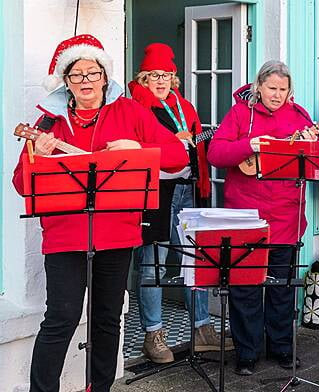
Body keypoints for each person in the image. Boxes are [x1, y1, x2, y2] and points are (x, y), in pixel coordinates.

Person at [12, 34, 188, 392]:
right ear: (66, 82)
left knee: (107, 319)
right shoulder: (48, 123)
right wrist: (40, 158)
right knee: (61, 317)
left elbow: (179, 156)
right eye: (76, 75)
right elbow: (20, 183)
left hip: (117, 232)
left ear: (105, 77)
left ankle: (100, 388)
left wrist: (137, 146)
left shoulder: (130, 112)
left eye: (93, 73)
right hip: (64, 235)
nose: (86, 82)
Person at [207, 60, 317, 376]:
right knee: (246, 288)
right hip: (245, 216)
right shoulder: (241, 113)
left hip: (285, 215)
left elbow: (313, 162)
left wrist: (311, 143)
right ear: (259, 86)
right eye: (272, 88)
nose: (277, 95)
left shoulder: (299, 116)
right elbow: (216, 154)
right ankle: (247, 352)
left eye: (283, 89)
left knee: (282, 287)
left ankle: (282, 347)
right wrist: (248, 145)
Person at [128, 43, 230, 363]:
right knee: (153, 264)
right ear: (143, 79)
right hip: (155, 193)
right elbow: (134, 150)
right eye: (154, 75)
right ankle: (152, 334)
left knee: (194, 262)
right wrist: (172, 144)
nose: (161, 81)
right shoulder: (133, 108)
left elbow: (195, 150)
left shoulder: (185, 107)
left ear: (175, 78)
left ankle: (201, 329)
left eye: (167, 75)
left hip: (188, 189)